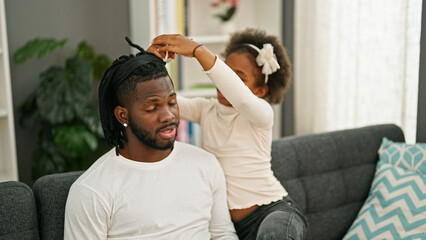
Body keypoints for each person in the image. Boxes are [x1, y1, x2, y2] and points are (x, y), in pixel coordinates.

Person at [63, 37, 238, 240]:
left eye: (172, 102)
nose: (168, 116)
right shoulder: (92, 191)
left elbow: (222, 234)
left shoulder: (205, 164)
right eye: (152, 108)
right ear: (122, 115)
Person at [150, 28, 307, 240]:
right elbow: (163, 102)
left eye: (238, 78)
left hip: (273, 212)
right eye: (226, 73)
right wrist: (152, 64)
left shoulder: (261, 115)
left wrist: (198, 51)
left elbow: (241, 99)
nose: (224, 83)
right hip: (229, 227)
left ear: (260, 91)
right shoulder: (206, 110)